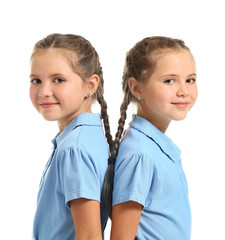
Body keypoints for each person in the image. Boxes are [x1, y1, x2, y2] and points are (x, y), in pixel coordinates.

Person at [102, 36, 198, 239]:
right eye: (169, 80)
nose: (184, 91)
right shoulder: (141, 154)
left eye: (190, 79)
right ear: (137, 88)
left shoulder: (152, 147)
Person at [30, 33, 112, 240]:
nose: (44, 91)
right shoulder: (86, 137)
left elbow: (89, 236)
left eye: (58, 80)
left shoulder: (75, 148)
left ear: (91, 85)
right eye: (36, 80)